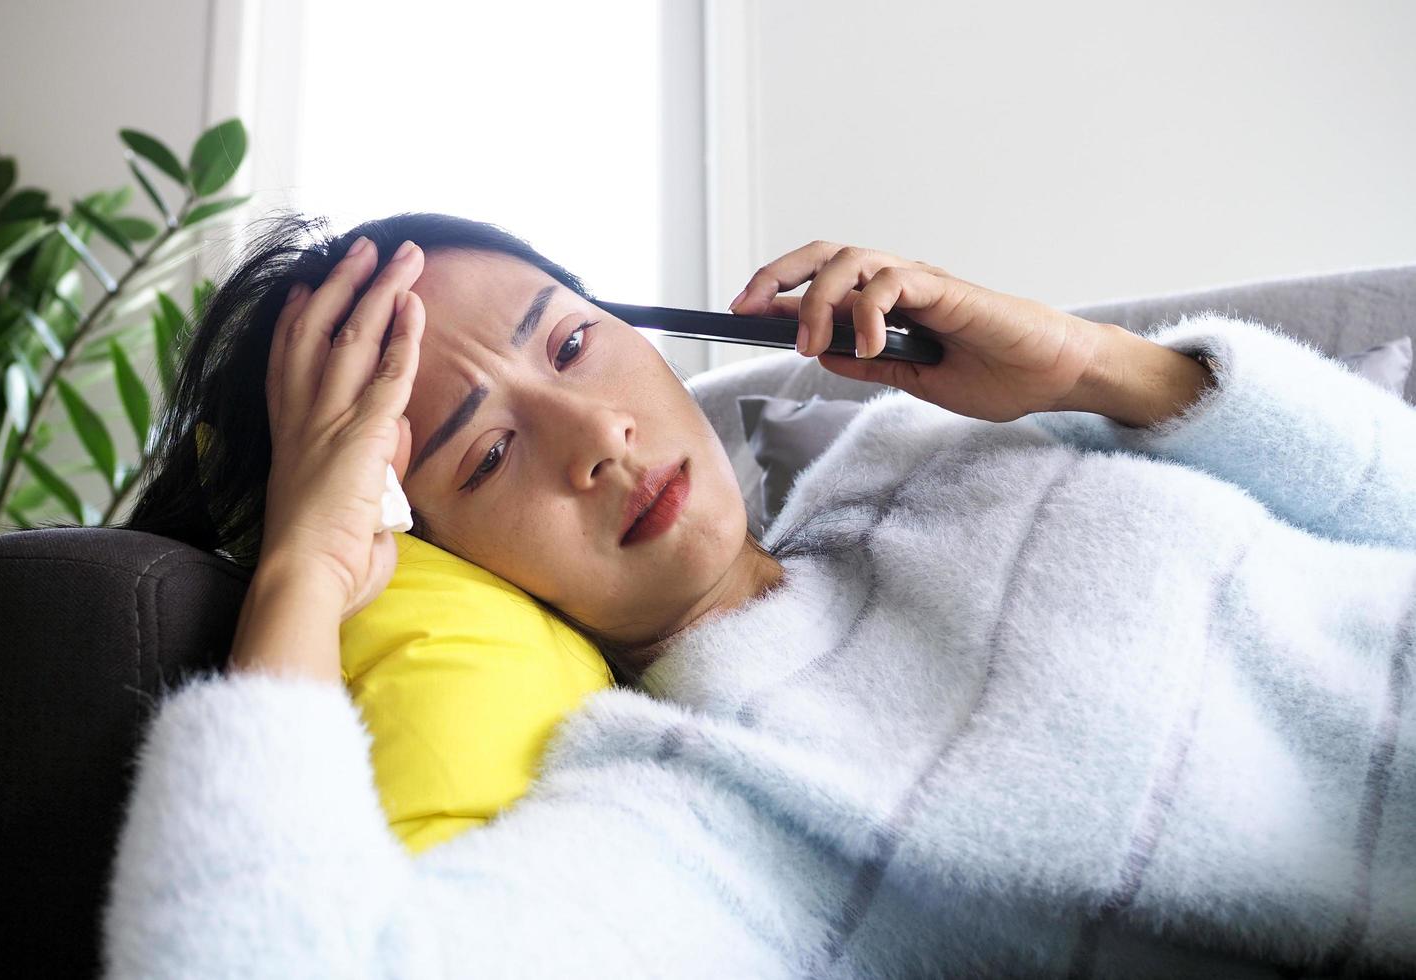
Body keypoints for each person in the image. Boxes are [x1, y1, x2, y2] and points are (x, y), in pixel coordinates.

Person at [105, 213, 1416, 978]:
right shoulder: (695, 799)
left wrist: (1097, 368)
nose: (595, 439)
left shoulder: (941, 447)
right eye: (485, 454)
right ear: (412, 537)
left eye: (568, 342)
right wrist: (301, 571)